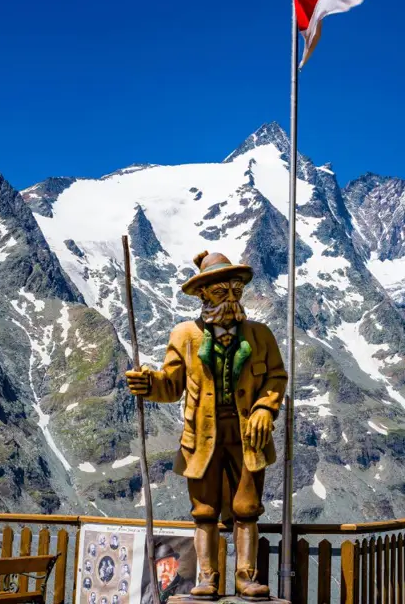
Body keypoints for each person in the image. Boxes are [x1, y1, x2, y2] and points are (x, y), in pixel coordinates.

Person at [126, 251, 286, 599]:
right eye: (220, 292)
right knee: (205, 511)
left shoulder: (260, 336)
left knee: (246, 508)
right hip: (202, 437)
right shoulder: (184, 336)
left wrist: (264, 409)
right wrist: (148, 383)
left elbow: (276, 377)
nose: (230, 299)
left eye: (235, 291)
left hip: (248, 436)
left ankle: (246, 577)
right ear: (203, 295)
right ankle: (208, 578)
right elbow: (170, 384)